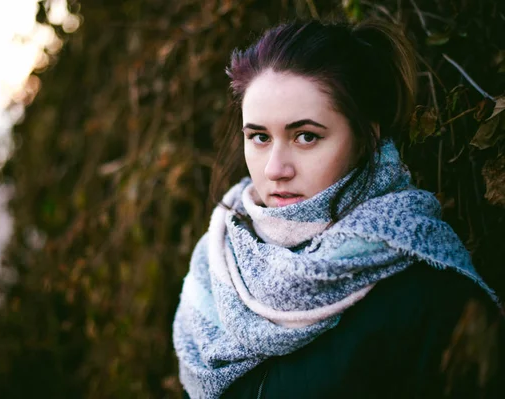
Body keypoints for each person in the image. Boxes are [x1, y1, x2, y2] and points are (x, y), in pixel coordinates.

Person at [172, 18, 500, 399]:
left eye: (306, 136)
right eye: (259, 137)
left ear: (366, 136)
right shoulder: (217, 264)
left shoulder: (430, 292)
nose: (276, 169)